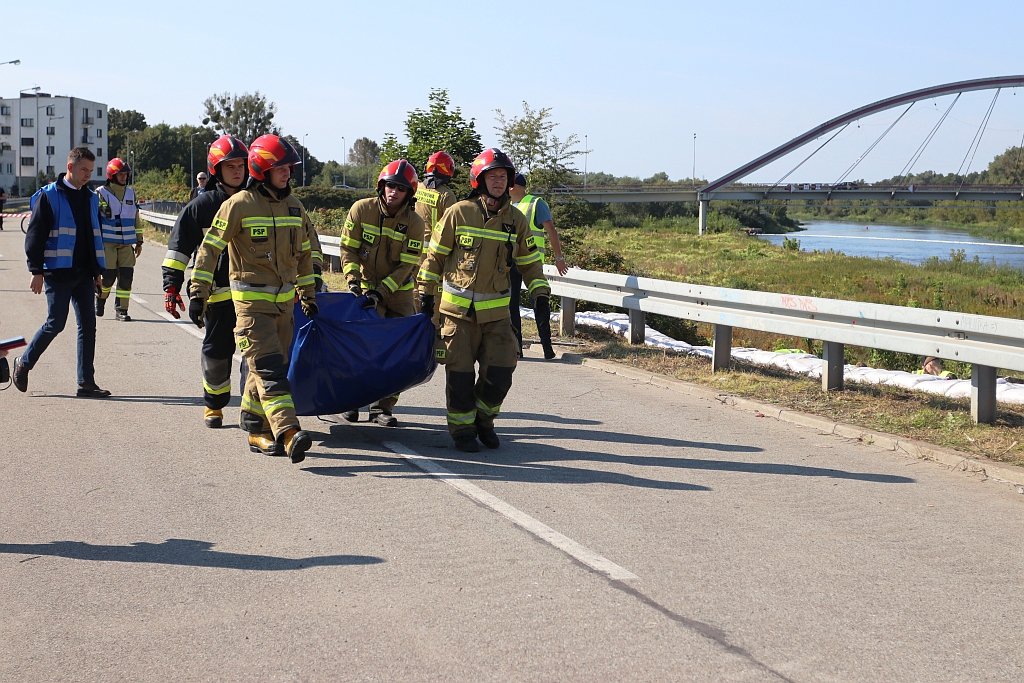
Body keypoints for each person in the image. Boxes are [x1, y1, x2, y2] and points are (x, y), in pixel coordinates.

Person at [188, 134, 317, 464]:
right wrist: (198, 293)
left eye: (289, 167)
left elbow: (303, 255)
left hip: (285, 309)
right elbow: (209, 250)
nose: (287, 172)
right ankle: (288, 433)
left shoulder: (294, 206)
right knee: (271, 372)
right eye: (281, 167)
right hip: (251, 310)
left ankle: (254, 427)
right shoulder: (239, 204)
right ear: (262, 169)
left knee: (269, 370)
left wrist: (308, 294)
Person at [417, 148, 550, 453]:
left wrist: (540, 292)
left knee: (502, 369)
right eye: (494, 176)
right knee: (460, 377)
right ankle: (463, 430)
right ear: (480, 180)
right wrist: (426, 296)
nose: (500, 182)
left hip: (496, 316)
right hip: (456, 314)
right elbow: (434, 258)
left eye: (504, 176)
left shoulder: (516, 220)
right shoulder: (459, 212)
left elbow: (529, 262)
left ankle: (484, 421)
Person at [162, 135, 250, 429]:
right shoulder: (201, 206)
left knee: (256, 354)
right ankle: (214, 404)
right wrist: (171, 288)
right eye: (231, 166)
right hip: (218, 296)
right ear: (217, 170)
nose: (238, 171)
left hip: (254, 295)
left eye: (242, 165)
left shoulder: (258, 202)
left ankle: (253, 409)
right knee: (217, 353)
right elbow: (178, 251)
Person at [13, 147, 111, 398]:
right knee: (56, 323)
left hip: (84, 274)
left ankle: (85, 383)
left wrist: (97, 271)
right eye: (83, 170)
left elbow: (93, 236)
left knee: (88, 326)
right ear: (70, 167)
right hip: (57, 273)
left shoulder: (90, 198)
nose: (88, 174)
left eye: (91, 170)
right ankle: (24, 362)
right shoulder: (50, 196)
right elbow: (35, 236)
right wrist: (36, 270)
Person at [337, 159, 425, 426]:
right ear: (381, 186)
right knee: (360, 350)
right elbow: (348, 249)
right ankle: (350, 401)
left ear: (409, 193)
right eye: (389, 186)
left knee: (397, 353)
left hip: (399, 294)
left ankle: (382, 408)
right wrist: (353, 280)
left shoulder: (415, 223)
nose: (393, 192)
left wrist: (382, 291)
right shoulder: (360, 210)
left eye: (400, 188)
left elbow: (407, 265)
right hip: (363, 289)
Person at [508, 173, 568, 360]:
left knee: (539, 300)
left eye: (509, 185)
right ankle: (517, 348)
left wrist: (559, 257)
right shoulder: (506, 206)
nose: (507, 188)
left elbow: (551, 230)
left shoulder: (536, 204)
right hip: (511, 262)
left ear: (516, 187)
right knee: (512, 305)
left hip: (532, 262)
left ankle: (547, 347)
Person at [95, 158, 142, 321]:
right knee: (108, 278)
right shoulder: (100, 193)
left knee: (126, 277)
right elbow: (95, 219)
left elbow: (136, 217)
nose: (124, 177)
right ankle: (101, 298)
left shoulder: (131, 193)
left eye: (125, 174)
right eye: (120, 174)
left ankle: (122, 310)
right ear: (111, 175)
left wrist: (140, 240)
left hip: (127, 243)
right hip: (107, 243)